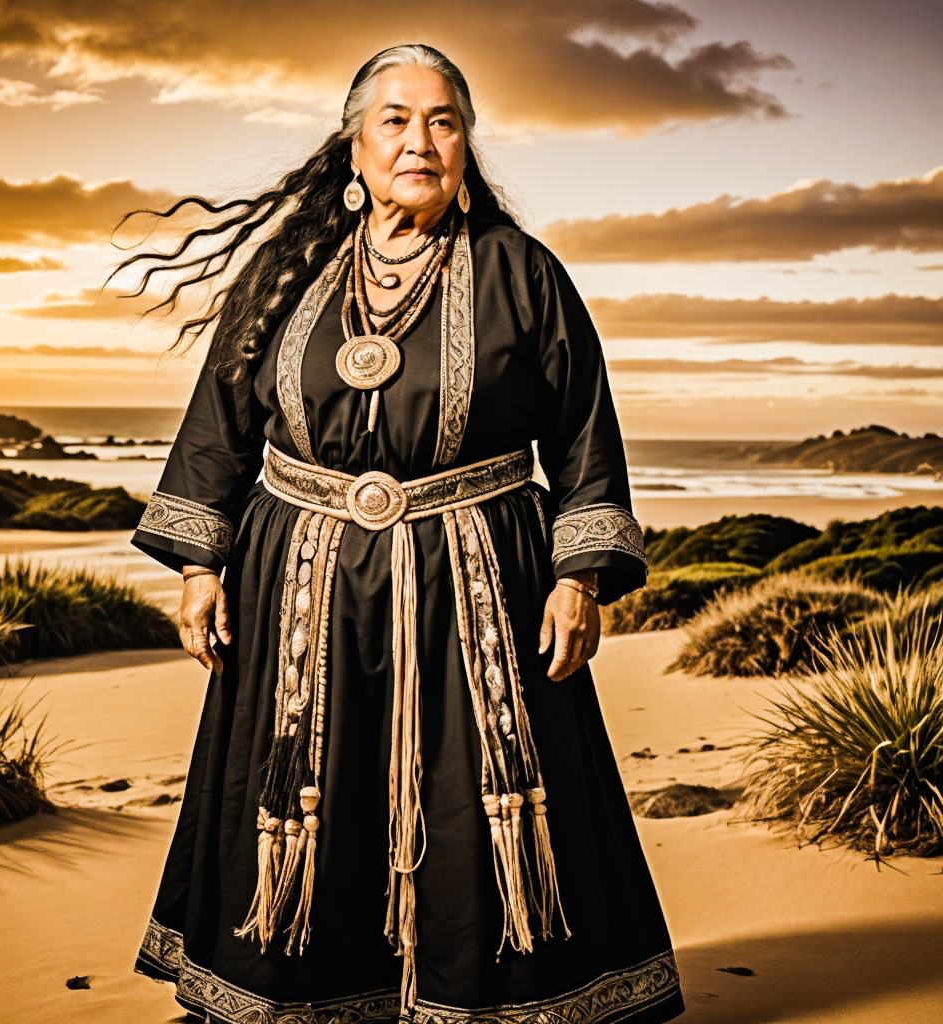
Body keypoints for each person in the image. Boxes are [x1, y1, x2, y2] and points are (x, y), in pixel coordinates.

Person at [120, 41, 685, 1024]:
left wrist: (579, 576)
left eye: (443, 120)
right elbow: (220, 420)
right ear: (352, 143)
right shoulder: (283, 275)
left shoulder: (521, 272)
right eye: (394, 118)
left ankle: (493, 999)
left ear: (465, 148)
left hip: (479, 584)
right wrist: (201, 564)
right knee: (303, 797)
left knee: (484, 803)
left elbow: (585, 431)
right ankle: (302, 997)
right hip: (299, 579)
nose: (418, 139)